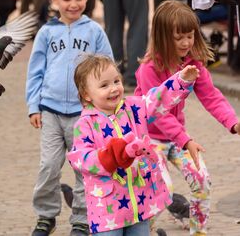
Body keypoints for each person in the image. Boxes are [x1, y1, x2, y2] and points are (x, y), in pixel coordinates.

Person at [135, 0, 240, 236]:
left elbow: (212, 97)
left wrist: (233, 123)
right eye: (178, 37)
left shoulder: (193, 65)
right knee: (160, 191)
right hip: (147, 142)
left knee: (202, 181)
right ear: (162, 37)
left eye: (190, 36)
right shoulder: (149, 69)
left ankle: (198, 232)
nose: (186, 43)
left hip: (177, 139)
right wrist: (185, 140)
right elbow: (158, 114)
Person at [68, 54, 200, 235]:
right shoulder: (84, 124)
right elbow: (80, 158)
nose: (114, 88)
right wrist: (108, 157)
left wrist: (181, 80)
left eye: (116, 81)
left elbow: (157, 98)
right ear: (86, 95)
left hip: (140, 202)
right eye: (104, 85)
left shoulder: (134, 108)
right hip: (107, 210)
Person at [25, 0, 113, 236]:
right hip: (50, 110)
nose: (73, 4)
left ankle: (81, 220)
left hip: (83, 114)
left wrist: (106, 104)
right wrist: (33, 106)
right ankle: (46, 215)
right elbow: (35, 71)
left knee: (82, 168)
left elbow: (107, 67)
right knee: (49, 165)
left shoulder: (95, 31)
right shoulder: (46, 33)